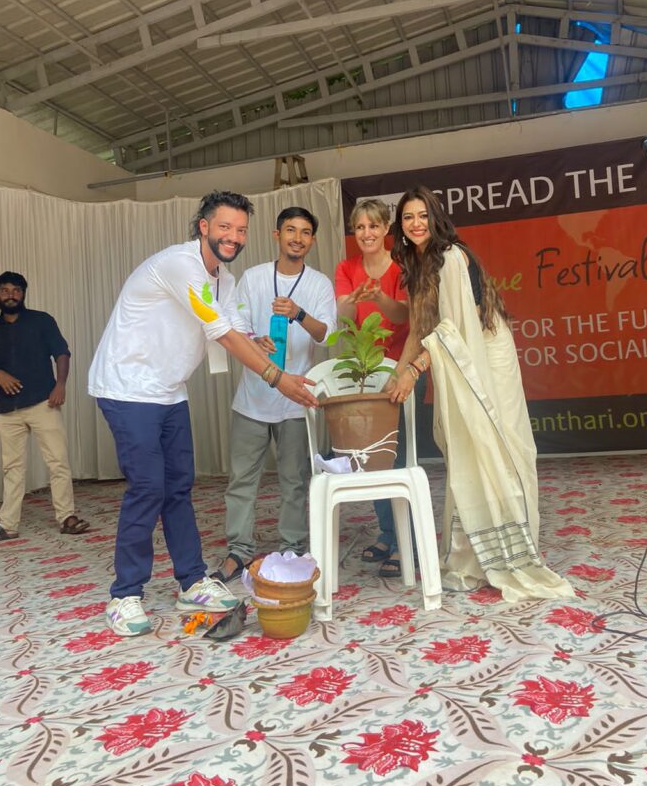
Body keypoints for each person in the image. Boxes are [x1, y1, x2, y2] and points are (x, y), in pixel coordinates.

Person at [88, 191, 317, 637]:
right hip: (128, 387)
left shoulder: (224, 280)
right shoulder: (181, 266)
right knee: (149, 487)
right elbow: (220, 332)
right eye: (224, 227)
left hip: (169, 392)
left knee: (178, 488)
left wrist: (257, 342)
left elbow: (235, 329)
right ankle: (124, 594)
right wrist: (279, 378)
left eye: (240, 230)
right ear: (204, 227)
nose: (233, 237)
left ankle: (192, 581)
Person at [386, 186, 573, 603]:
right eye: (407, 218)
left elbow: (453, 331)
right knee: (468, 450)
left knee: (499, 445)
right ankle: (472, 553)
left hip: (486, 355)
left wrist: (413, 374)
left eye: (422, 216)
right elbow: (420, 329)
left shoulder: (451, 257)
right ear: (400, 227)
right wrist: (393, 377)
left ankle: (514, 550)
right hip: (458, 356)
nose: (415, 224)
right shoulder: (415, 265)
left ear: (435, 218)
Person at [213, 207, 337, 582]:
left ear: (312, 240)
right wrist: (255, 339)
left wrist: (298, 313)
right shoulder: (251, 278)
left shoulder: (318, 284)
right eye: (290, 230)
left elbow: (326, 334)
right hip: (252, 396)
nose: (297, 238)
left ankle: (292, 549)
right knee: (242, 479)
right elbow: (236, 327)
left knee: (295, 480)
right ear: (276, 234)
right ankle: (238, 550)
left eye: (304, 232)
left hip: (296, 400)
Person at [334, 198, 409, 578]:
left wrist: (380, 297)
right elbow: (343, 316)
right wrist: (354, 299)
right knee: (372, 458)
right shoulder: (346, 268)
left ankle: (403, 541)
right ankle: (387, 533)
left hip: (399, 370)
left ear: (386, 230)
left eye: (374, 226)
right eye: (360, 227)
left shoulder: (401, 267)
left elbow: (404, 314)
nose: (366, 233)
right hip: (364, 372)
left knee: (398, 459)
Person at [0, 272, 89, 541]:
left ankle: (66, 517)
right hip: (7, 411)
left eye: (16, 290)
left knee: (57, 462)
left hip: (43, 402)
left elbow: (61, 352)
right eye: (4, 290)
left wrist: (60, 385)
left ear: (24, 293)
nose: (10, 295)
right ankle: (7, 525)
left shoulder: (41, 321)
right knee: (11, 468)